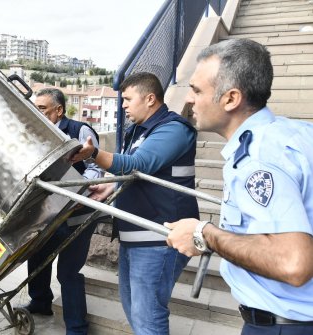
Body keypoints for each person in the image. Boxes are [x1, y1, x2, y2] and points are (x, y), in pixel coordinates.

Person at [165, 38, 313, 334]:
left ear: (231, 98)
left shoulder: (258, 158)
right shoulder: (294, 133)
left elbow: (293, 263)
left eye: (196, 90)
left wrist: (204, 234)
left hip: (283, 325)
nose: (190, 99)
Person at [71, 72, 199, 335]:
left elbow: (138, 165)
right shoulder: (138, 131)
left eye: (128, 99)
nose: (123, 105)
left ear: (150, 98)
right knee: (135, 312)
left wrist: (94, 153)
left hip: (159, 239)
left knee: (148, 317)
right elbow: (135, 177)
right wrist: (110, 185)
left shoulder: (173, 129)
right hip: (136, 236)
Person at [24, 88, 104, 335]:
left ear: (59, 110)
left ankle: (77, 328)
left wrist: (80, 192)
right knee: (36, 255)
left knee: (68, 272)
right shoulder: (35, 134)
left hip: (76, 212)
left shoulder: (80, 131)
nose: (37, 114)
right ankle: (40, 302)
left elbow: (96, 168)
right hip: (48, 212)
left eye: (42, 110)